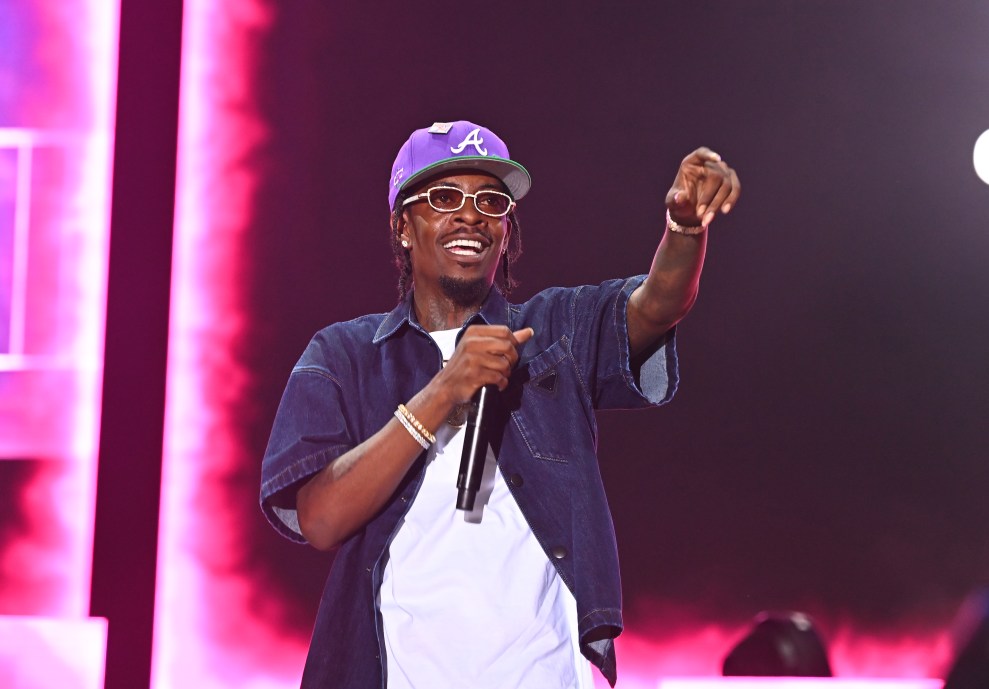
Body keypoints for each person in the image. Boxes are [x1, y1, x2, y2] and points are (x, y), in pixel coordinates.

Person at [260, 120, 740, 689]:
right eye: (444, 197)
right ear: (403, 228)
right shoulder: (343, 355)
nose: (470, 215)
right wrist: (442, 391)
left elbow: (658, 304)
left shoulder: (553, 332)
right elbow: (319, 519)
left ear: (506, 232)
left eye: (491, 201)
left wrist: (683, 229)